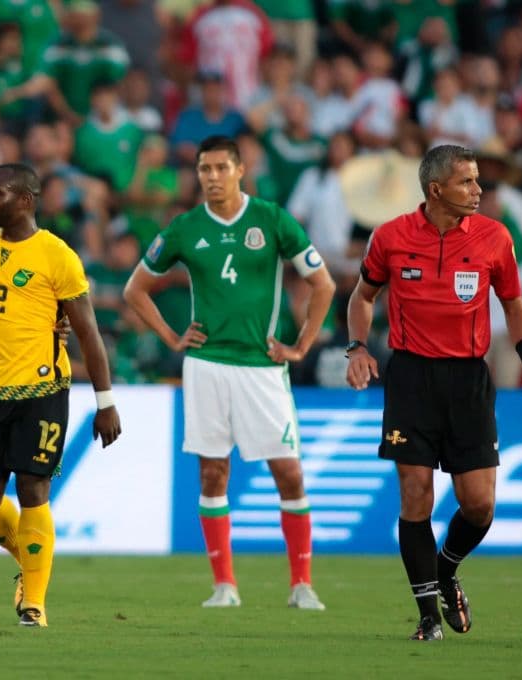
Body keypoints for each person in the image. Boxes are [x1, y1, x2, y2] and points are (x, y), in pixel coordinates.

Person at [345, 144, 522, 641]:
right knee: (415, 494)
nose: (479, 190)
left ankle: (446, 569)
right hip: (412, 378)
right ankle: (427, 618)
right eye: (468, 182)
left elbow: (514, 303)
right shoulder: (391, 237)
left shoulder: (494, 238)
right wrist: (356, 347)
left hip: (467, 379)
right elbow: (363, 295)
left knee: (478, 504)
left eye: (478, 181)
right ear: (436, 190)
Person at [123, 135, 335, 610]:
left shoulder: (272, 219)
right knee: (213, 473)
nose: (212, 177)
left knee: (290, 473)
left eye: (221, 168)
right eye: (204, 169)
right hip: (206, 365)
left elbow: (323, 283)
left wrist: (302, 344)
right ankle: (225, 586)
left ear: (240, 170)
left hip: (262, 367)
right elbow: (136, 290)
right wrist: (173, 338)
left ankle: (301, 584)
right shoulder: (184, 227)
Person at [0, 163, 121, 628]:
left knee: (34, 489)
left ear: (25, 200)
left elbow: (88, 332)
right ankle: (29, 559)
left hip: (43, 388)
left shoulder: (57, 255)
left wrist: (105, 401)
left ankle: (35, 603)